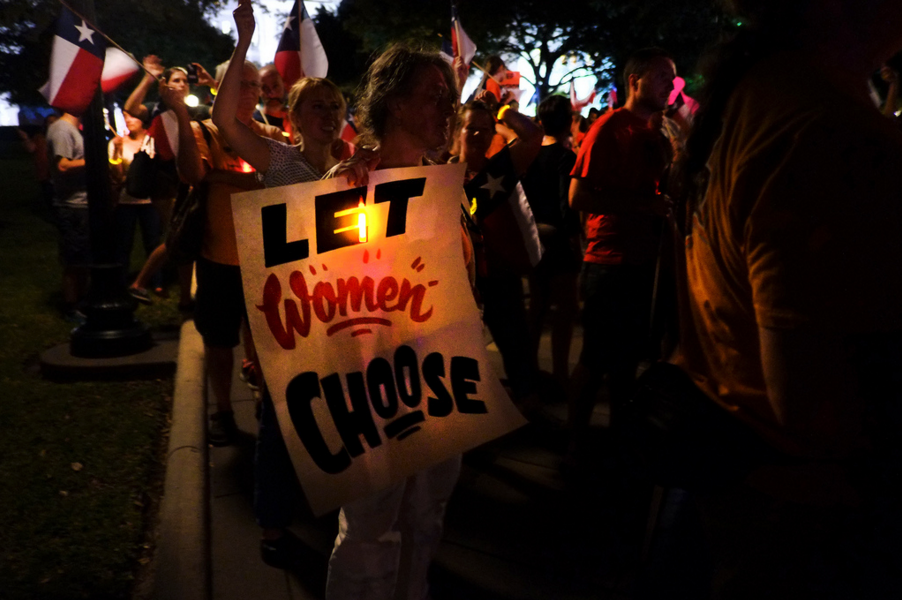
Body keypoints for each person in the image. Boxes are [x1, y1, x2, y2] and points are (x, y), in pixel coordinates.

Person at [670, 1, 902, 596]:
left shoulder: (762, 94)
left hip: (731, 464)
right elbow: (813, 398)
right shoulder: (830, 131)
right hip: (804, 509)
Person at [212, 0, 347, 567]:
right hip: (288, 319)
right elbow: (224, 123)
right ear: (292, 118)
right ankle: (272, 524)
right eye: (316, 105)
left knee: (338, 413)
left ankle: (333, 503)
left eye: (336, 106)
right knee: (279, 422)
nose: (328, 113)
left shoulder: (357, 167)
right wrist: (243, 42)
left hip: (343, 313)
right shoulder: (281, 162)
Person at [324, 43, 461, 600]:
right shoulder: (349, 185)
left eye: (449, 98)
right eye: (433, 97)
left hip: (441, 375)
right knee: (368, 525)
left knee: (427, 515)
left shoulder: (449, 184)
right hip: (369, 380)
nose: (446, 110)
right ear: (395, 105)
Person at [167, 56, 284, 446]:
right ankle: (223, 410)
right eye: (241, 84)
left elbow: (288, 180)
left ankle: (266, 402)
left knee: (271, 339)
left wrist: (223, 176)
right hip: (220, 257)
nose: (249, 92)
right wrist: (182, 117)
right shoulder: (207, 133)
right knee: (219, 342)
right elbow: (191, 173)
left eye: (254, 85)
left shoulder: (272, 136)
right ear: (221, 88)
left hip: (267, 259)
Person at [566, 48, 674, 464]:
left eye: (673, 78)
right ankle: (574, 441)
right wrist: (643, 207)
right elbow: (578, 196)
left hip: (644, 262)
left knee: (628, 362)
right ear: (635, 80)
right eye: (663, 75)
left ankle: (617, 440)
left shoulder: (655, 133)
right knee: (595, 358)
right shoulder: (610, 126)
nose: (671, 84)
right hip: (609, 262)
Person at [450, 98, 543, 409]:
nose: (477, 136)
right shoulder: (438, 174)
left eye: (485, 130)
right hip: (458, 285)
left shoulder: (500, 170)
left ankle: (530, 412)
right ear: (457, 132)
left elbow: (532, 136)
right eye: (470, 128)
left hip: (501, 279)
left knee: (518, 350)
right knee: (462, 358)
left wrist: (504, 111)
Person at [520, 94, 581, 391]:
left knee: (538, 307)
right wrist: (574, 241)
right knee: (565, 310)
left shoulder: (530, 155)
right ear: (568, 121)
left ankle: (528, 373)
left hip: (533, 238)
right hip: (557, 241)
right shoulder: (566, 158)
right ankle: (559, 374)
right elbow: (565, 204)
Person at [108, 110, 163, 292]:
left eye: (132, 116)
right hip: (126, 201)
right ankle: (121, 281)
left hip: (150, 200)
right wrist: (115, 150)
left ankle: (157, 282)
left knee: (153, 241)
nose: (128, 120)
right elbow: (116, 177)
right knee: (123, 243)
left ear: (144, 119)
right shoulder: (117, 142)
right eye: (125, 117)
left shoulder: (152, 141)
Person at [46, 112, 89, 323]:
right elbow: (63, 165)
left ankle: (82, 302)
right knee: (74, 257)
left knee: (82, 257)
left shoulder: (72, 129)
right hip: (71, 205)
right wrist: (96, 159)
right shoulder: (62, 130)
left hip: (82, 204)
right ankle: (71, 307)